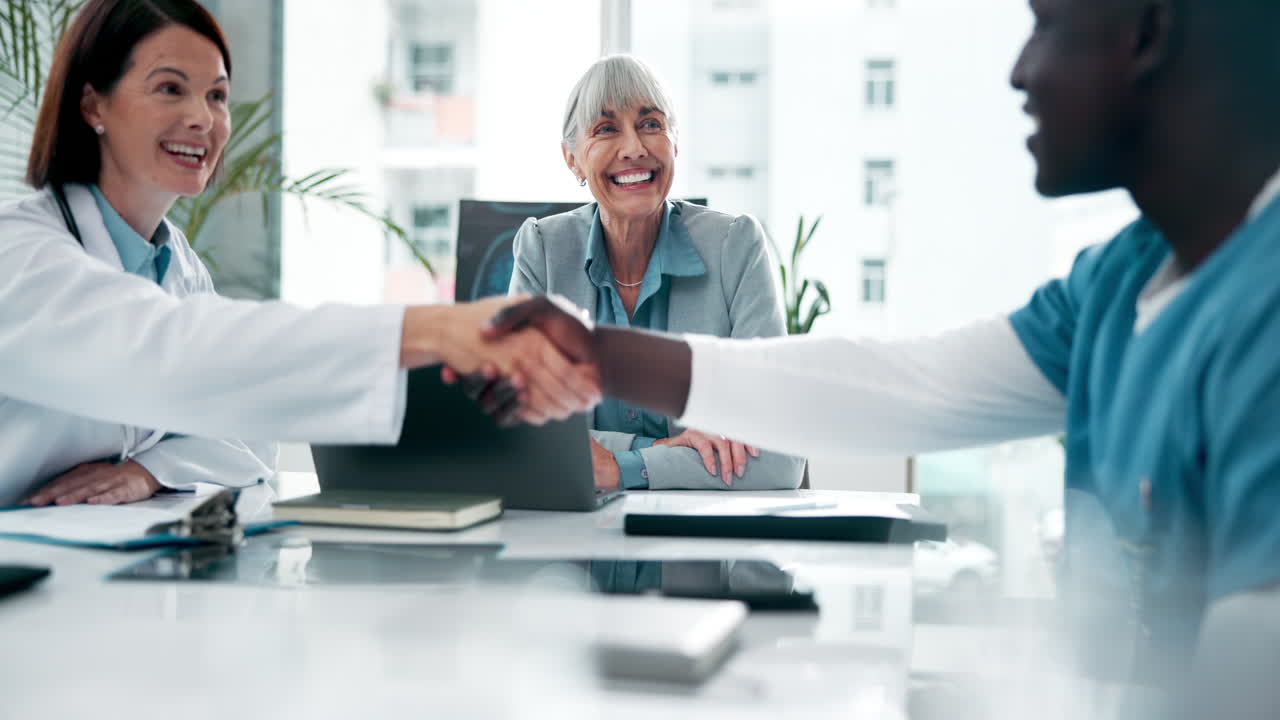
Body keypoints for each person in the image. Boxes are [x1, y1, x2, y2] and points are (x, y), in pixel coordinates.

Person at [474, 0, 1280, 712]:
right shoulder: (1114, 285)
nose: (1019, 70)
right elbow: (905, 386)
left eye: (1045, 23)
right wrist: (601, 356)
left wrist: (617, 424)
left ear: (1146, 34)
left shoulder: (1263, 302)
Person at [0, 0, 599, 508]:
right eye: (169, 88)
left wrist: (149, 471)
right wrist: (435, 328)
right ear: (92, 106)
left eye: (217, 95)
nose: (201, 118)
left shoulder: (177, 267)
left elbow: (250, 427)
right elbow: (170, 349)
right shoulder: (21, 251)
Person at [508, 54, 802, 492]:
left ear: (675, 144)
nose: (634, 148)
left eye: (650, 124)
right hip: (572, 552)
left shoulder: (735, 247)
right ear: (572, 159)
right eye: (606, 129)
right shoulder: (544, 251)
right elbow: (518, 436)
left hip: (692, 552)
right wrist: (660, 450)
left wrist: (620, 466)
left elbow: (778, 459)